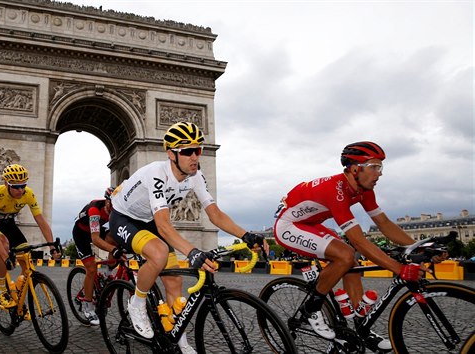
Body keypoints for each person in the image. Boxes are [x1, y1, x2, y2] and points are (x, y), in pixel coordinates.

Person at [109, 121, 263, 354]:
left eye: (198, 150)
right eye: (188, 151)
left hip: (148, 219)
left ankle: (180, 340)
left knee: (175, 282)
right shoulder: (156, 174)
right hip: (124, 217)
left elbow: (215, 214)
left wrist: (246, 234)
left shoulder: (195, 176)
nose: (195, 156)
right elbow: (163, 226)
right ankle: (137, 303)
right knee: (159, 252)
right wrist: (193, 252)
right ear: (171, 154)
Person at [273, 141, 437, 351]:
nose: (380, 173)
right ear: (354, 169)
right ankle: (310, 309)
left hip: (310, 224)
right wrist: (398, 269)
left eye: (381, 167)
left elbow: (384, 224)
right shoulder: (337, 189)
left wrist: (419, 246)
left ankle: (362, 328)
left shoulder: (364, 190)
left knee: (352, 261)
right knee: (345, 255)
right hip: (288, 226)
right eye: (374, 167)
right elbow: (358, 240)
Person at [0, 163, 57, 308]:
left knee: (26, 255)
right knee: (3, 245)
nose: (20, 190)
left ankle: (18, 294)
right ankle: (1, 290)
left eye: (23, 185)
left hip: (8, 221)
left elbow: (41, 221)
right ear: (6, 184)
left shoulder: (28, 194)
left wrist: (52, 246)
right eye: (15, 187)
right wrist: (5, 257)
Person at [72, 187, 123, 325]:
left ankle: (106, 276)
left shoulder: (117, 209)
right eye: (114, 204)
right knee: (92, 269)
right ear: (107, 202)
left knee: (116, 240)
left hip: (97, 229)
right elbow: (95, 239)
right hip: (81, 233)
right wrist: (114, 250)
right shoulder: (95, 209)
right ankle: (88, 307)